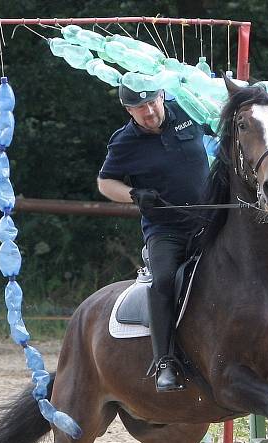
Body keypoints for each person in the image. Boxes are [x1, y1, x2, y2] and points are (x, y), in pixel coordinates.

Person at [97, 85, 213, 392]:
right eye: (139, 108)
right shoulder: (124, 143)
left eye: (151, 103)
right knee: (163, 280)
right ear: (128, 111)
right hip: (166, 230)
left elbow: (221, 123)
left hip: (211, 222)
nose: (148, 112)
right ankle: (165, 362)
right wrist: (134, 194)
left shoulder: (189, 110)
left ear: (161, 96)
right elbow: (105, 183)